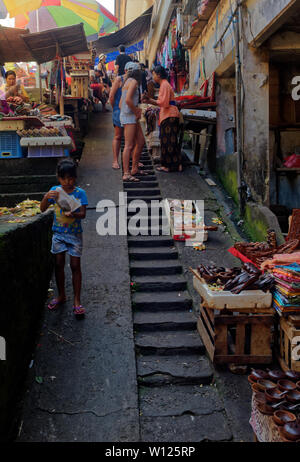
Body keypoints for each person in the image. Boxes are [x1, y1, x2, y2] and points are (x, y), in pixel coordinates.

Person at [40, 159, 88, 318]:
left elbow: (82, 214)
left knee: (75, 265)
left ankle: (77, 301)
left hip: (74, 235)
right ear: (58, 177)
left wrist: (73, 214)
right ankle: (61, 295)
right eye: (64, 178)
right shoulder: (55, 191)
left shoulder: (80, 193)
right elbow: (43, 208)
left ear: (75, 177)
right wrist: (46, 197)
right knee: (59, 263)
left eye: (71, 178)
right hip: (58, 234)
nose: (68, 182)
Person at [142, 65, 182, 172]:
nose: (153, 76)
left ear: (158, 75)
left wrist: (150, 100)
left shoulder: (164, 84)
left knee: (167, 142)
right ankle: (177, 165)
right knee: (172, 141)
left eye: (154, 74)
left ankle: (167, 166)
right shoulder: (165, 84)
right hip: (170, 115)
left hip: (169, 115)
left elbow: (163, 103)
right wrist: (150, 100)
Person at [119, 62, 146, 182]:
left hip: (128, 116)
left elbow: (121, 104)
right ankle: (126, 173)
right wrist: (136, 111)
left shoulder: (127, 81)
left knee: (140, 141)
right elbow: (129, 100)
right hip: (130, 117)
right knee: (129, 145)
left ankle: (134, 168)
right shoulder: (134, 82)